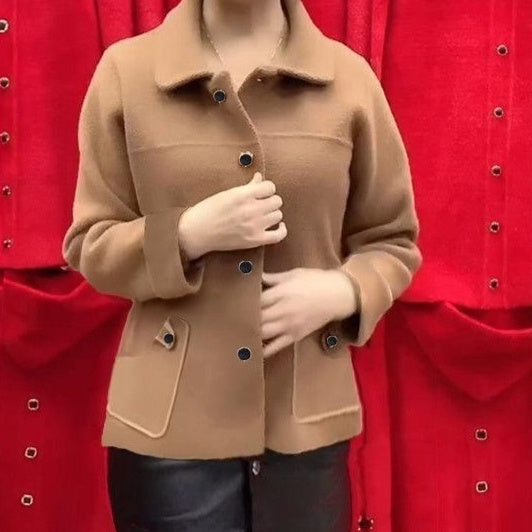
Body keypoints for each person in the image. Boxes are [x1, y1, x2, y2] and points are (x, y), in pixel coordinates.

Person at [61, 0, 422, 530]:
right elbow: (91, 244)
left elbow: (393, 240)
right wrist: (187, 234)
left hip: (306, 422)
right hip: (168, 434)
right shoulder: (126, 73)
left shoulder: (349, 79)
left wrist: (339, 292)